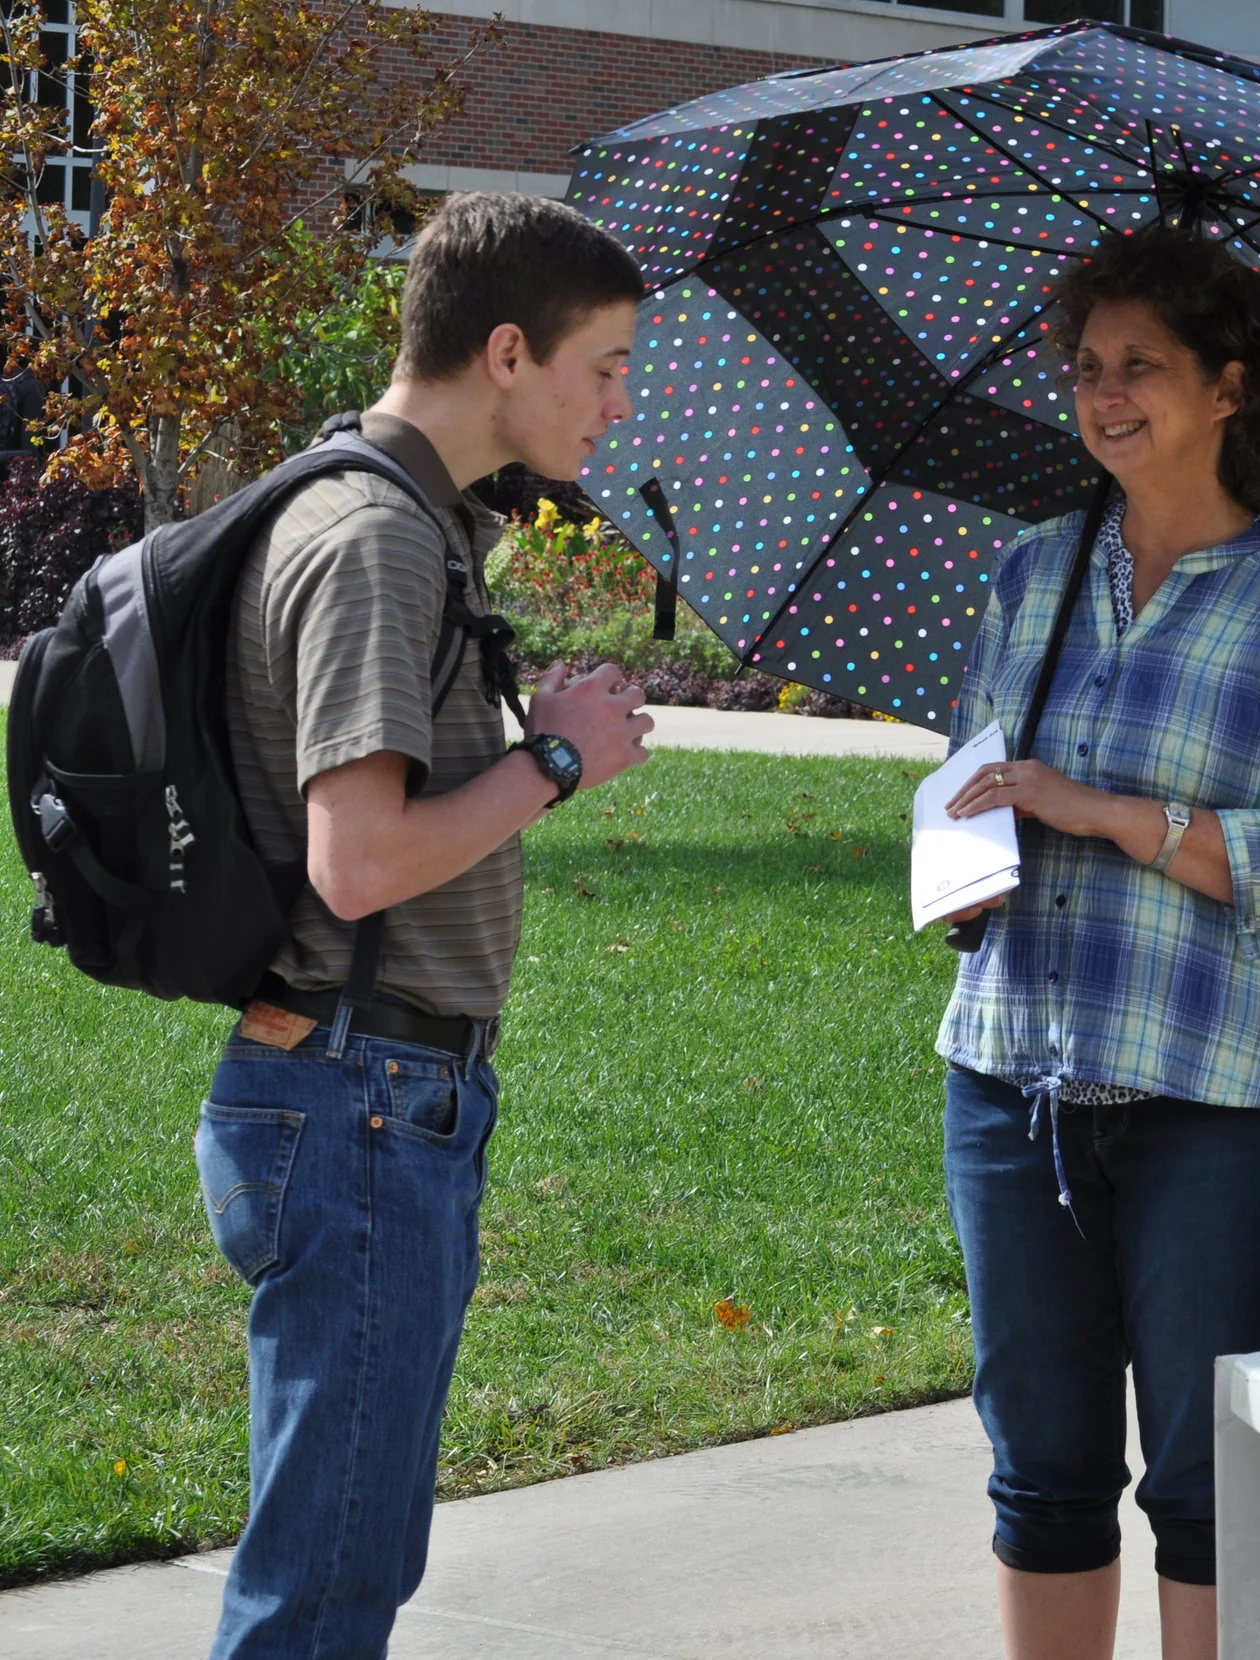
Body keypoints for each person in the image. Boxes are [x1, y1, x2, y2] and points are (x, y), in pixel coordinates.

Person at [934, 224, 1260, 1660]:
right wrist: (959, 873)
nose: (1105, 393)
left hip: (1213, 1101)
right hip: (1013, 1082)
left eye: (1141, 365)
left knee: (1208, 1487)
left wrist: (1119, 817)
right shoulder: (1034, 572)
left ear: (1228, 389)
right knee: (1043, 1475)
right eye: (1086, 366)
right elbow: (970, 781)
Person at [200, 193, 653, 1658]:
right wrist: (557, 759)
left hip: (374, 1096)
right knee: (321, 1592)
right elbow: (358, 862)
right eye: (605, 365)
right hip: (359, 1101)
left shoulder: (406, 516)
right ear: (508, 352)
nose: (618, 402)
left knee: (347, 1563)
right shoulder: (375, 539)